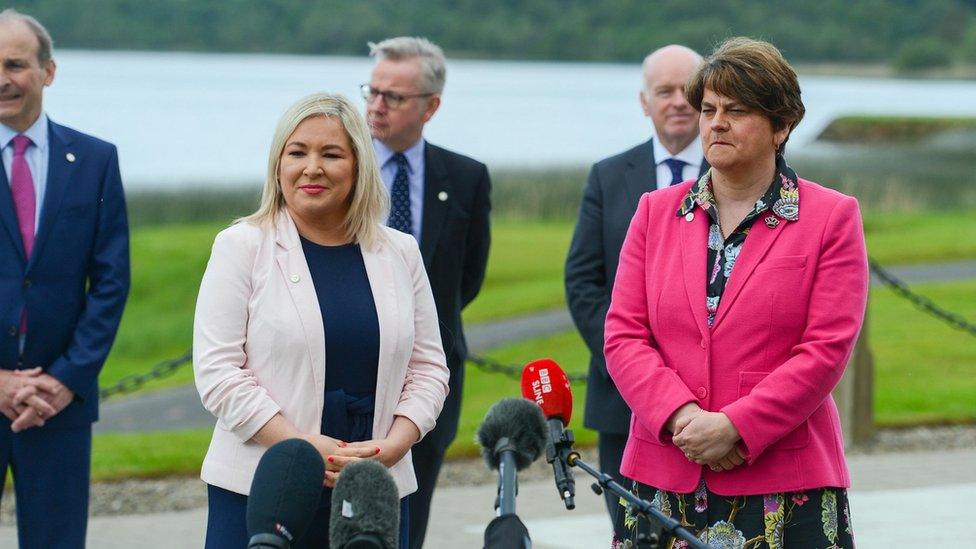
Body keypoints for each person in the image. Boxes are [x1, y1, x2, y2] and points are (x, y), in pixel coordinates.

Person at [604, 37, 865, 547]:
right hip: (664, 474)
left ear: (782, 125)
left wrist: (737, 427)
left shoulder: (831, 217)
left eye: (737, 110)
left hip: (786, 485)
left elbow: (826, 351)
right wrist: (683, 417)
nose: (715, 122)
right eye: (708, 109)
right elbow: (623, 335)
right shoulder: (655, 212)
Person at [193, 92, 449, 548]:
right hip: (263, 489)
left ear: (358, 167)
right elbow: (218, 372)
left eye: (331, 154)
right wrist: (299, 449)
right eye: (297, 153)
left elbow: (429, 368)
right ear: (278, 164)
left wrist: (393, 445)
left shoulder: (399, 253)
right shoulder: (241, 246)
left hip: (375, 488)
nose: (312, 168)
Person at [563, 44, 704, 543]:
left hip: (712, 406)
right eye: (664, 91)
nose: (678, 102)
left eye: (689, 89)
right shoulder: (608, 176)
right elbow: (582, 280)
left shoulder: (737, 174)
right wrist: (628, 361)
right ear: (645, 102)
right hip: (623, 399)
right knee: (632, 533)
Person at [0, 9, 130, 548]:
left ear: (48, 71)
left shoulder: (96, 160)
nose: (2, 78)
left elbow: (110, 282)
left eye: (15, 64)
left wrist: (65, 380)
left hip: (61, 404)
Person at [362, 36, 491, 549]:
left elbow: (469, 277)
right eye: (371, 91)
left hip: (432, 377)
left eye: (392, 97)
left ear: (430, 106)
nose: (375, 106)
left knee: (410, 523)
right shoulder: (337, 168)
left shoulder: (465, 177)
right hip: (348, 370)